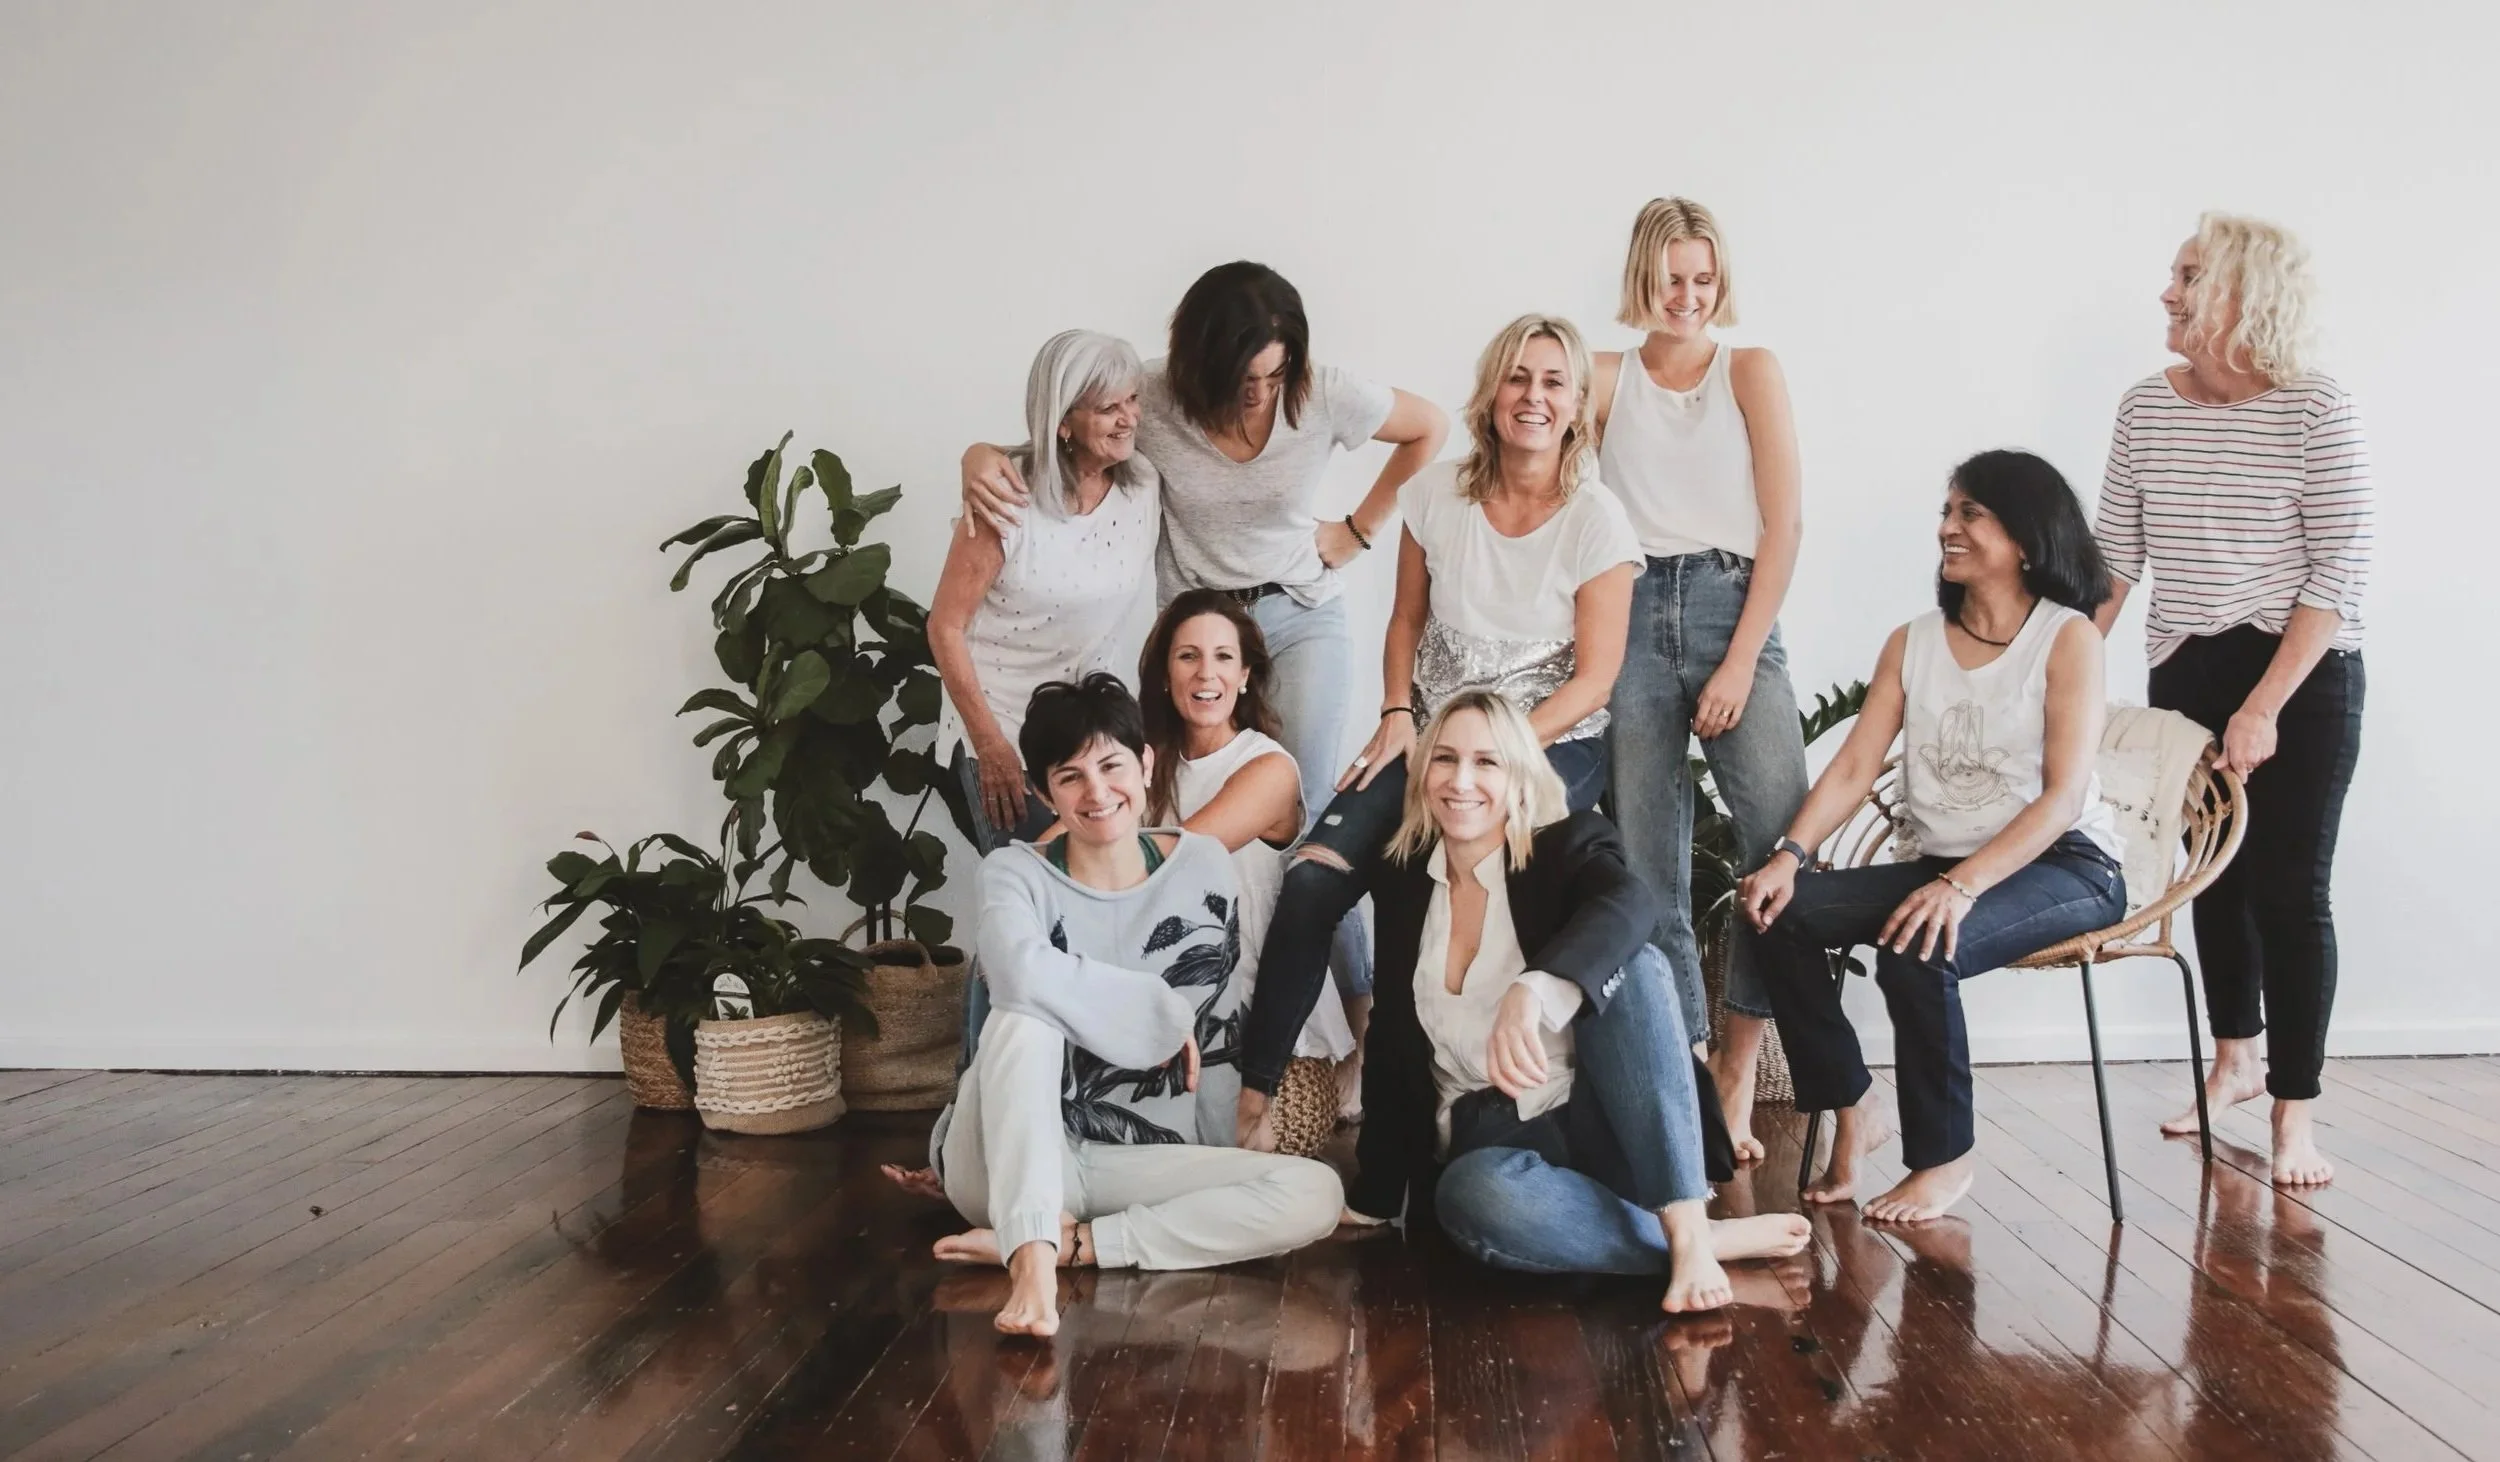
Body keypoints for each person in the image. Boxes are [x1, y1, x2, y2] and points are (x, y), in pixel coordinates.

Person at [961, 263, 1450, 1076]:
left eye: (1274, 376)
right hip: (1196, 632)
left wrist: (1360, 528)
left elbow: (1429, 426)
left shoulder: (1322, 392)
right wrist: (975, 456)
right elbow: (1055, 427)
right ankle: (1177, 1014)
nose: (1260, 394)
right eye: (1244, 379)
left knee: (1310, 826)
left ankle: (1360, 1030)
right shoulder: (1152, 397)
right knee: (1166, 802)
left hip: (1301, 615)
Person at [1232, 314, 1643, 1150]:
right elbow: (1405, 624)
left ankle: (1448, 1118)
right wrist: (1396, 715)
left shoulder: (1598, 519)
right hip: (1428, 737)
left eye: (1553, 382)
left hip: (1548, 747)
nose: (1533, 396)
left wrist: (1493, 753)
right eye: (1517, 377)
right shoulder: (1436, 493)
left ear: (1578, 405)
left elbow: (1595, 679)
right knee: (1311, 880)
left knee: (1429, 887)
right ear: (1491, 391)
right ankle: (1253, 1103)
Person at [1740, 451, 2128, 1223]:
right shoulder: (1912, 641)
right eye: (1947, 512)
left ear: (2027, 537)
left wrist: (1959, 887)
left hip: (2067, 866)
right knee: (1777, 911)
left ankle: (1943, 1161)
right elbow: (1855, 767)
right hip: (1945, 862)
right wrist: (1789, 857)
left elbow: (2062, 798)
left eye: (1969, 513)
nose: (1948, 528)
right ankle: (1854, 1107)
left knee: (1920, 946)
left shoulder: (2068, 638)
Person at [1339, 690, 1811, 1311]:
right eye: (1445, 759)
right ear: (1423, 772)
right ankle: (1696, 1243)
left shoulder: (1566, 845)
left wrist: (1534, 988)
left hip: (1602, 1115)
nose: (1461, 781)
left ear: (1519, 775)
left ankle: (1688, 1228)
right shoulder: (1404, 878)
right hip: (1491, 1144)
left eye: (1487, 762)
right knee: (1472, 1198)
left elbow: (1631, 906)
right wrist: (1374, 1196)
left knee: (1635, 965)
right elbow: (1392, 1036)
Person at [916, 673, 1344, 1338]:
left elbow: (1216, 1025)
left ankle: (1075, 1245)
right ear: (1044, 793)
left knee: (1317, 1192)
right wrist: (1157, 1014)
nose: (1096, 792)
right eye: (1070, 777)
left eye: (1112, 766)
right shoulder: (1015, 873)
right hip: (1006, 1158)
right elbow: (1017, 973)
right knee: (1024, 1017)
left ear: (1145, 764)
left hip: (1128, 1163)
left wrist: (1222, 1153)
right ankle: (1030, 1262)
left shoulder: (1202, 865)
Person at [2092, 213, 2371, 1188]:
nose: (2166, 293)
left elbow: (2336, 573)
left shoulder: (2315, 407)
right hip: (2186, 669)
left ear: (2244, 295)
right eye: (2173, 274)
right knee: (2210, 875)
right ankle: (2234, 1063)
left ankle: (2296, 1111)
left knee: (2290, 892)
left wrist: (2263, 707)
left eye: (2188, 276)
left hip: (2299, 676)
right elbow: (2114, 561)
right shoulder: (2144, 407)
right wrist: (2054, 671)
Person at [1594, 197, 1812, 1166]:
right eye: (1669, 278)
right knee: (1649, 862)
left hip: (1734, 605)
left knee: (1777, 853)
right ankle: (1678, 1070)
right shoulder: (1604, 378)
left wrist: (1738, 660)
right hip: (1631, 611)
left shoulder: (1749, 369)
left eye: (1702, 278)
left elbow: (1784, 524)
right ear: (1641, 278)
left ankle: (1737, 1068)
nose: (1686, 296)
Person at [1137, 588, 1355, 1153]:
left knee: (1227, 1157)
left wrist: (1072, 858)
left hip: (1270, 1044)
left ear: (1244, 676)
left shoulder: (1269, 768)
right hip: (1168, 1014)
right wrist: (1024, 874)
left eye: (1223, 657)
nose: (1205, 673)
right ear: (1165, 674)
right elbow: (1071, 836)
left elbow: (1177, 856)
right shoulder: (1146, 763)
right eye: (1187, 656)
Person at [931, 329, 1162, 852]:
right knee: (1036, 885)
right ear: (1063, 421)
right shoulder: (1005, 497)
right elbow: (944, 627)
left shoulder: (1143, 484)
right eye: (1108, 408)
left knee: (1100, 882)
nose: (1129, 418)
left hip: (1087, 740)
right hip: (1001, 734)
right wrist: (990, 746)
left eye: (1132, 400)